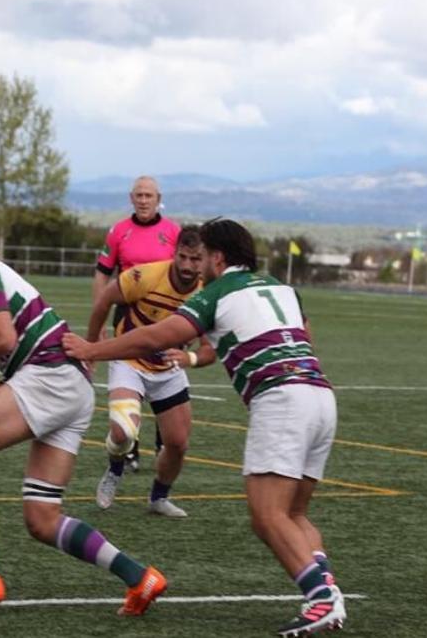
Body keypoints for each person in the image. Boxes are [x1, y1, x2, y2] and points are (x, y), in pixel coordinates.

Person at [64, 218, 346, 635]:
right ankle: (328, 589)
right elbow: (304, 336)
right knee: (295, 513)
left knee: (267, 516)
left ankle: (320, 600)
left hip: (282, 400)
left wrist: (92, 348)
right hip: (320, 395)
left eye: (205, 257)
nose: (199, 267)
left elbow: (154, 337)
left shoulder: (216, 292)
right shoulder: (282, 287)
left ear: (218, 257)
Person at [0, 233, 167, 615]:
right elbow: (11, 345)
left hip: (50, 375)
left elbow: (3, 337)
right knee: (42, 519)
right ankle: (140, 577)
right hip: (68, 385)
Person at [88, 225, 213, 516]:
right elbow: (105, 299)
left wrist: (189, 358)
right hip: (129, 361)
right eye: (182, 256)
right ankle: (115, 469)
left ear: (204, 259)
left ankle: (158, 498)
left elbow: (209, 350)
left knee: (178, 444)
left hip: (168, 371)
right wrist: (92, 346)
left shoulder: (207, 295)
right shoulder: (147, 275)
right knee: (122, 433)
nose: (187, 265)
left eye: (195, 259)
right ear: (175, 252)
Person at [92, 176, 181, 471]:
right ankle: (128, 447)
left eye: (149, 195)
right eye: (139, 195)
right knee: (130, 378)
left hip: (166, 317)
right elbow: (102, 274)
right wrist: (99, 314)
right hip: (126, 314)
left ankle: (163, 444)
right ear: (131, 198)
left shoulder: (173, 232)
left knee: (166, 376)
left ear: (158, 198)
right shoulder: (119, 231)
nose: (144, 200)